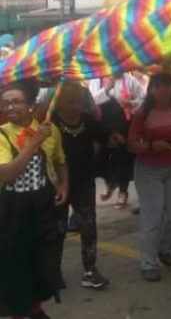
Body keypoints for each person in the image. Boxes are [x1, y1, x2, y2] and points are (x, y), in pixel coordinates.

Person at [0, 80, 68, 318]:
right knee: (14, 263)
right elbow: (7, 174)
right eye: (6, 102)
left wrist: (63, 184)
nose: (10, 107)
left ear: (31, 106)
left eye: (16, 102)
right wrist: (35, 142)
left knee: (42, 263)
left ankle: (33, 308)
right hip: (11, 212)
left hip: (42, 210)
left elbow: (60, 161)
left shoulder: (50, 130)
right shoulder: (2, 135)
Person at [127, 73, 171, 282]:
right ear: (150, 89)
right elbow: (131, 143)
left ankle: (164, 248)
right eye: (157, 86)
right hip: (148, 170)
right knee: (152, 217)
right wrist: (151, 146)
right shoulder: (142, 112)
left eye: (166, 86)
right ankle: (148, 262)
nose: (162, 90)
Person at [52, 82, 113, 290]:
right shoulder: (50, 123)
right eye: (70, 101)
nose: (75, 105)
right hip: (58, 185)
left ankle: (90, 269)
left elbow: (104, 134)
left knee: (88, 226)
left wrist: (113, 137)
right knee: (57, 229)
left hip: (84, 182)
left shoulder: (86, 121)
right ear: (59, 102)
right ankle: (53, 271)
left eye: (78, 101)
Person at [88, 74, 146, 208]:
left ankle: (123, 192)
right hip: (104, 127)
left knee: (123, 158)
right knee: (101, 157)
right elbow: (91, 101)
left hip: (124, 125)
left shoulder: (129, 80)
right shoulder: (97, 80)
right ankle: (111, 181)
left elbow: (142, 99)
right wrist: (106, 90)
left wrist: (131, 103)